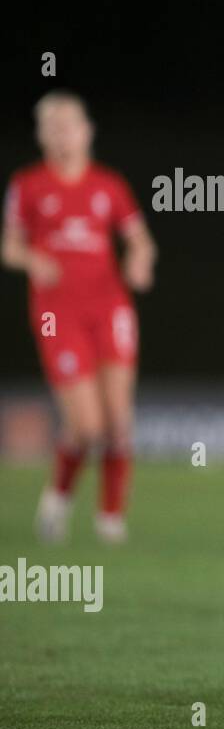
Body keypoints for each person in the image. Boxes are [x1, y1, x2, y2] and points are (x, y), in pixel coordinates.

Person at [2, 91, 156, 543]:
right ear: (41, 135)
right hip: (56, 313)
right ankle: (57, 499)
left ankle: (111, 520)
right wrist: (33, 259)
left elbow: (141, 240)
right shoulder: (28, 185)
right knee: (87, 426)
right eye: (54, 125)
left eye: (70, 124)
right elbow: (8, 247)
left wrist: (140, 261)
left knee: (119, 421)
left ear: (88, 131)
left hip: (109, 306)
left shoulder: (108, 186)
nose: (63, 133)